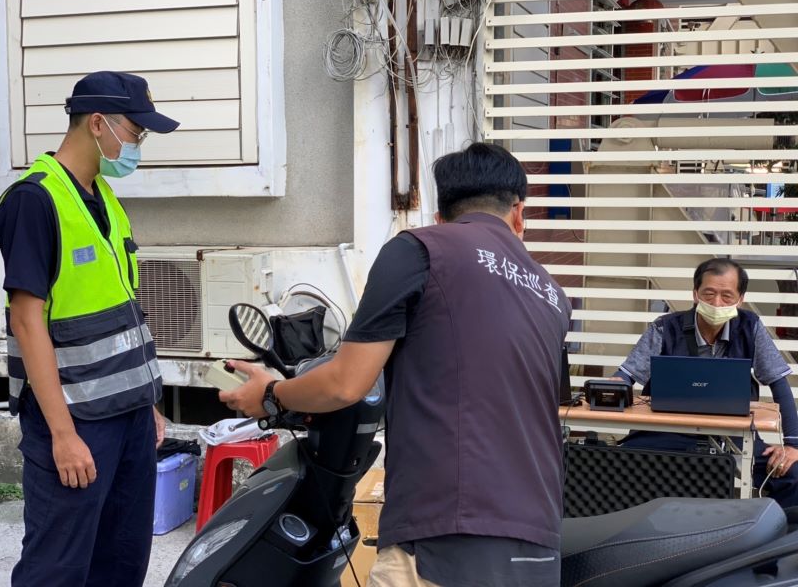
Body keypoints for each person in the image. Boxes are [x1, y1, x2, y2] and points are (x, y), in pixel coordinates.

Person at [220, 142, 572, 587]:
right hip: (539, 536)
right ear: (519, 212)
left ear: (442, 214)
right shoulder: (552, 295)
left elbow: (347, 384)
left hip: (444, 531)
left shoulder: (422, 249)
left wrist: (270, 395)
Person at [0, 71, 179, 587]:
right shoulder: (34, 200)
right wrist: (61, 435)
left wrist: (148, 404)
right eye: (136, 132)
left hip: (129, 419)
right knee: (58, 566)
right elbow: (27, 322)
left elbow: (121, 311)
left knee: (121, 561)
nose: (138, 145)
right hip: (76, 421)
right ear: (98, 123)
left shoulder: (102, 198)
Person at [614, 258, 798, 507]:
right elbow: (625, 376)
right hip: (663, 432)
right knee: (614, 465)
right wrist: (613, 385)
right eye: (708, 294)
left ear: (740, 299)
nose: (716, 303)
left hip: (734, 438)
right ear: (695, 294)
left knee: (793, 476)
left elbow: (779, 384)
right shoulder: (665, 328)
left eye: (726, 296)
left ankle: (775, 542)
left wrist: (792, 445)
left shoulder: (750, 327)